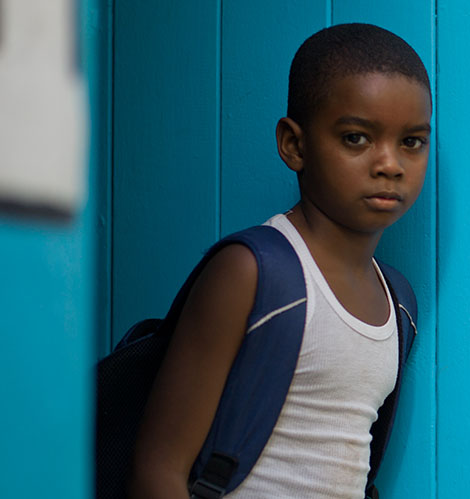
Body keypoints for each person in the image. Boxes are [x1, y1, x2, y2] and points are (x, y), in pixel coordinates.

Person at [128, 23, 431, 498]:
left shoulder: (400, 303)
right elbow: (157, 470)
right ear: (294, 144)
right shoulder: (253, 272)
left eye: (411, 142)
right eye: (356, 138)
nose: (389, 163)